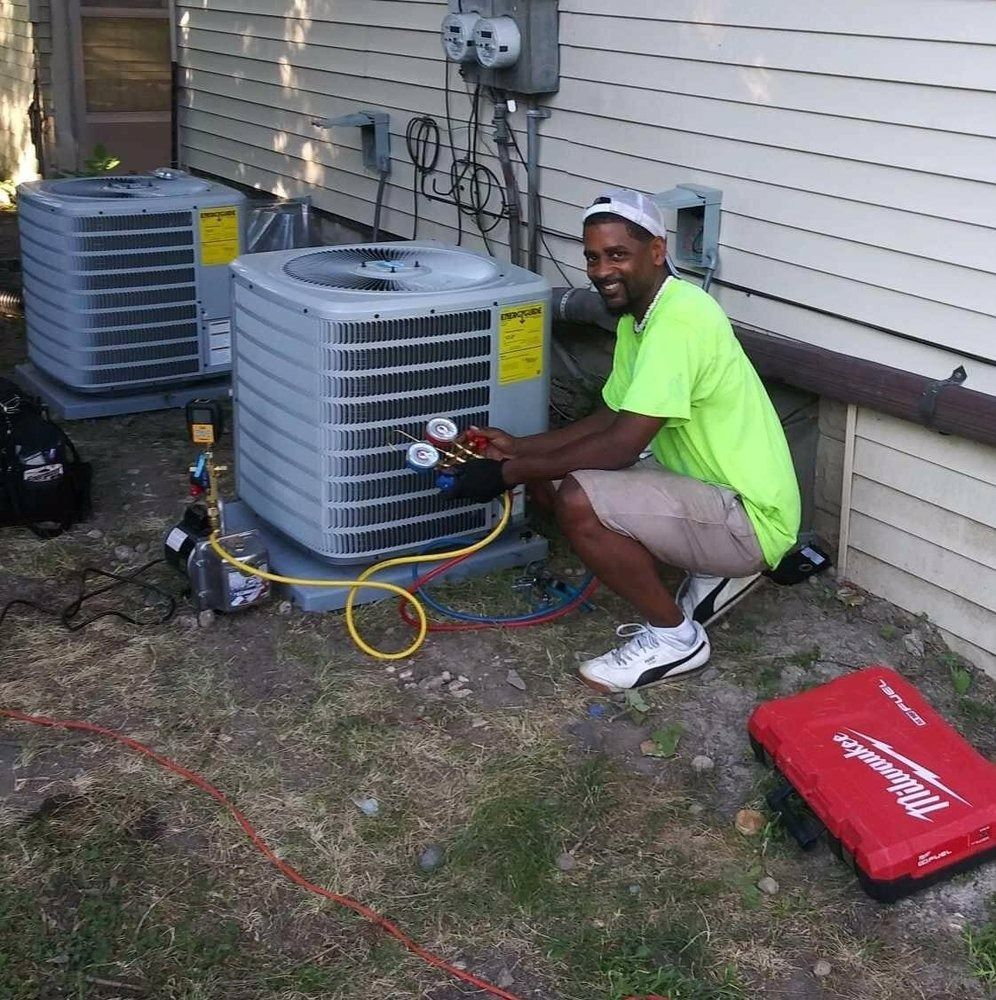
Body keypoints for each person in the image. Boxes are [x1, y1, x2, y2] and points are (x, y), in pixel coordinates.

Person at [445, 188, 801, 693]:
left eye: (617, 255)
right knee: (564, 475)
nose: (601, 269)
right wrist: (521, 448)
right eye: (592, 257)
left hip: (750, 518)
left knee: (578, 498)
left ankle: (677, 639)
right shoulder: (645, 315)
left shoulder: (680, 322)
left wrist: (504, 474)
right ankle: (717, 570)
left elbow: (620, 447)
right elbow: (611, 416)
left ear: (656, 251)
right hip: (713, 489)